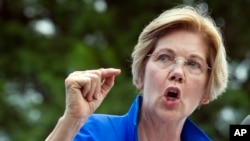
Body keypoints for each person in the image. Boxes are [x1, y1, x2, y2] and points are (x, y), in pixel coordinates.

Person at [46, 5, 228, 141]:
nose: (177, 72)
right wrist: (71, 121)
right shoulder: (95, 133)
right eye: (164, 57)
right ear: (141, 75)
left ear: (206, 92)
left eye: (193, 64)